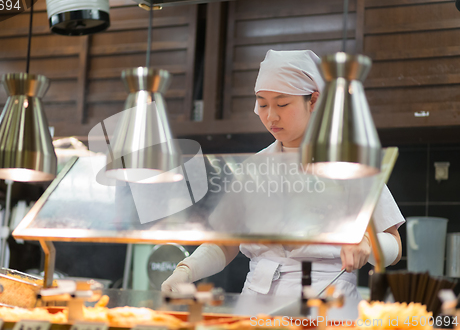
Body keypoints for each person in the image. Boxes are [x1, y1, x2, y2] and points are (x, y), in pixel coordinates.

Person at [161, 50, 404, 299]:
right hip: (255, 303)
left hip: (327, 302)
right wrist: (185, 271)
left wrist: (367, 244)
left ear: (314, 101)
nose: (271, 116)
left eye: (282, 104)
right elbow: (225, 241)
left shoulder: (349, 163)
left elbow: (394, 244)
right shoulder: (254, 167)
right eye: (263, 104)